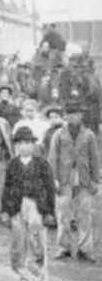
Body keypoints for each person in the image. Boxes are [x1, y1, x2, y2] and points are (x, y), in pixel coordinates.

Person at [1, 126, 55, 281]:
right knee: (18, 245)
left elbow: (49, 188)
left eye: (27, 143)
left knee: (37, 245)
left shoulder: (41, 163)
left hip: (36, 207)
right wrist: (5, 211)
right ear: (16, 145)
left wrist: (48, 211)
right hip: (17, 207)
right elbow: (7, 188)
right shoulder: (12, 164)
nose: (24, 147)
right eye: (20, 143)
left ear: (33, 144)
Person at [47, 100, 99, 263]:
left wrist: (95, 180)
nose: (74, 117)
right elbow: (52, 157)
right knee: (63, 212)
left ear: (81, 116)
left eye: (77, 114)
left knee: (84, 213)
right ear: (66, 116)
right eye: (70, 114)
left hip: (83, 177)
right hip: (64, 177)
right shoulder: (59, 134)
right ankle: (64, 247)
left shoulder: (88, 134)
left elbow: (94, 158)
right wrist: (53, 179)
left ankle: (85, 249)